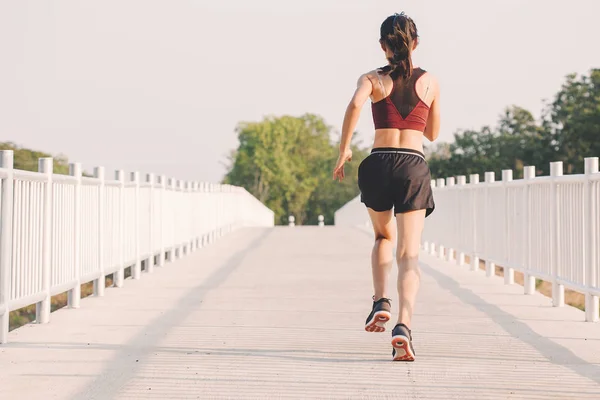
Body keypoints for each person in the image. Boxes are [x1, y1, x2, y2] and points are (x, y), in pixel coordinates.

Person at [333, 12, 440, 361]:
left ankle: (381, 301)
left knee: (382, 237)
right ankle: (403, 326)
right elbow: (433, 134)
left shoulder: (372, 79)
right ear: (416, 43)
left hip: (378, 162)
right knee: (409, 255)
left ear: (382, 46)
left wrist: (345, 148)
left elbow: (354, 104)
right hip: (412, 164)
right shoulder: (430, 82)